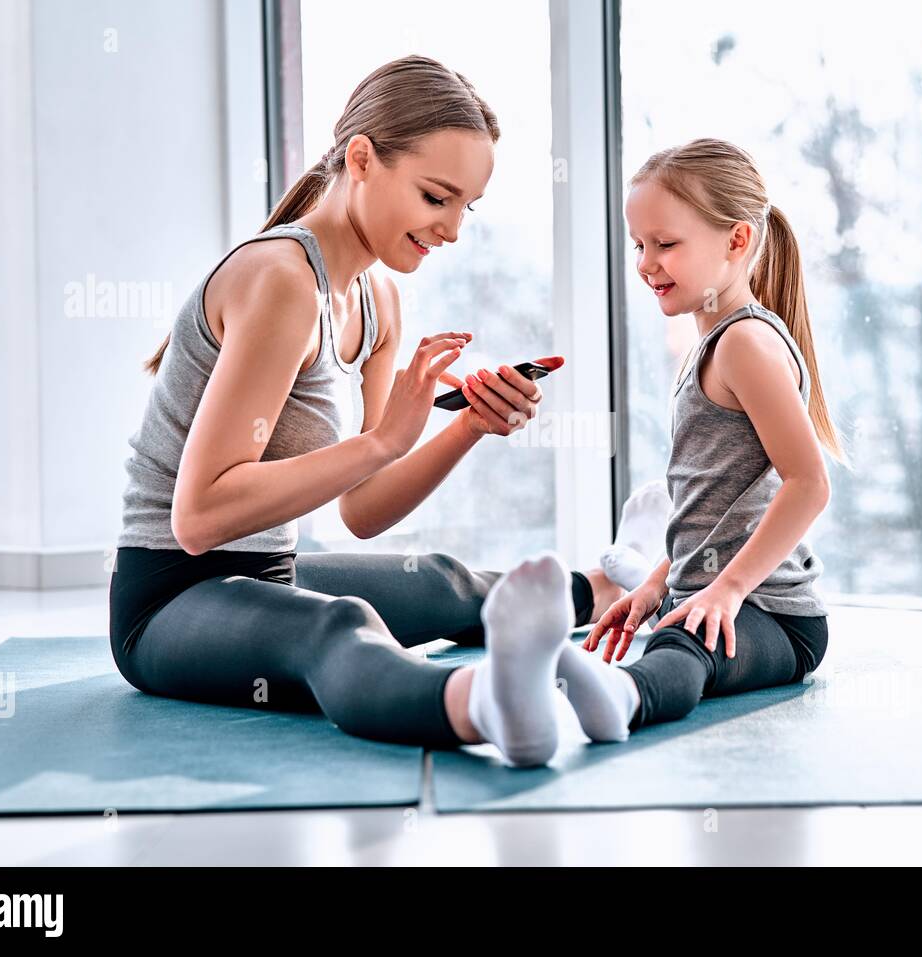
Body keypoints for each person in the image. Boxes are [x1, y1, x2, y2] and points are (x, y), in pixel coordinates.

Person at [108, 55, 622, 768]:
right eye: (435, 197)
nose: (450, 230)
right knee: (340, 627)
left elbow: (363, 509)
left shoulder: (379, 301)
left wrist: (466, 424)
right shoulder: (281, 280)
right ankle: (492, 703)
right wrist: (382, 440)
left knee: (438, 579)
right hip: (167, 602)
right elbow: (197, 519)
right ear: (362, 159)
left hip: (267, 573)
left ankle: (617, 588)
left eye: (464, 208)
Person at [549, 138, 851, 743]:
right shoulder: (713, 346)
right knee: (675, 627)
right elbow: (714, 509)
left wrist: (731, 589)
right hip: (711, 593)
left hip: (777, 618)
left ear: (736, 241)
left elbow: (809, 483)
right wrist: (659, 582)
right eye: (639, 245)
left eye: (665, 244)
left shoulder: (745, 344)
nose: (645, 263)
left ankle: (626, 697)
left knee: (684, 645)